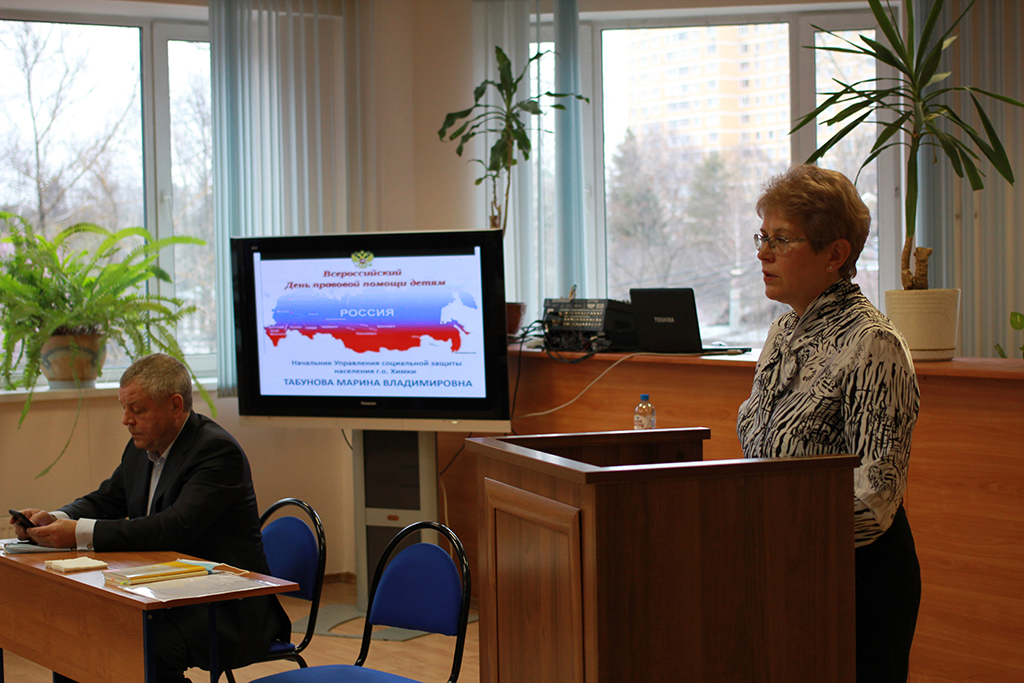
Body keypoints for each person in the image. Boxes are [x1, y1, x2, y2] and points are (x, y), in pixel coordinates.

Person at [736, 165, 921, 683]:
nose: (763, 253)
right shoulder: (782, 330)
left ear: (835, 254)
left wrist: (777, 537)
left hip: (855, 581)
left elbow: (875, 496)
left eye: (781, 240)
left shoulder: (873, 343)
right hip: (783, 566)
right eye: (762, 237)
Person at [10, 353, 291, 683]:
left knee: (144, 646)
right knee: (79, 632)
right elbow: (107, 499)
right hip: (164, 592)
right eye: (123, 408)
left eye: (137, 409)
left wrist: (76, 533)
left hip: (224, 607)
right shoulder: (141, 447)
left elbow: (172, 528)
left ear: (175, 406)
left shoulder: (216, 452)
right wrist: (55, 518)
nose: (125, 420)